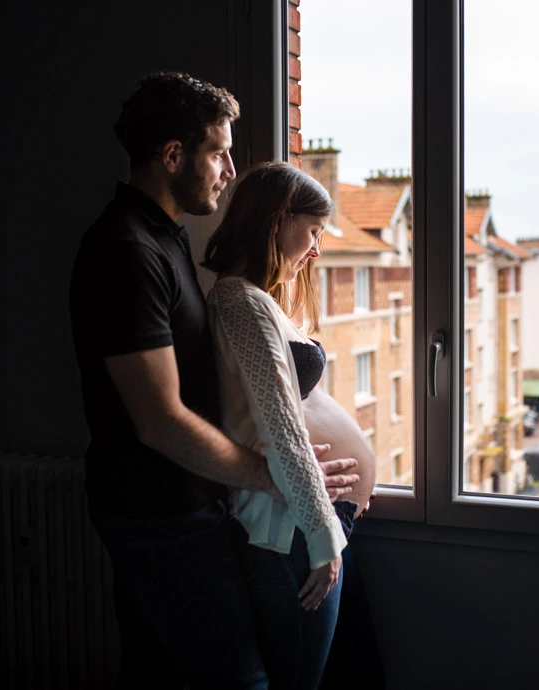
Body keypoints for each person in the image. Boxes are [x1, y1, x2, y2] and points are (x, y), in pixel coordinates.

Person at [68, 72, 359, 690]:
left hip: (188, 508)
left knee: (158, 673)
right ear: (173, 156)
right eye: (218, 152)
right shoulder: (126, 251)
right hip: (161, 515)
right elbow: (160, 419)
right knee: (242, 682)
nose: (230, 170)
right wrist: (274, 478)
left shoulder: (164, 240)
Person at [203, 161, 382, 690]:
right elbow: (283, 431)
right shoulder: (241, 302)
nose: (316, 249)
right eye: (313, 232)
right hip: (295, 534)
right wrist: (326, 541)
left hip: (308, 524)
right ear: (278, 221)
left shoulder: (256, 301)